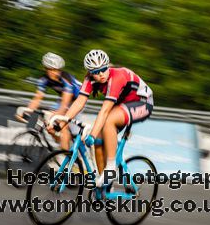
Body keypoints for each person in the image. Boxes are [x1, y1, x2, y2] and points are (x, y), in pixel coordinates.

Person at [49, 49, 154, 187]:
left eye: (103, 69)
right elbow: (79, 102)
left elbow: (104, 111)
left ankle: (110, 169)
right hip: (123, 105)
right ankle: (104, 186)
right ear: (89, 72)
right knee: (98, 141)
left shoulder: (117, 76)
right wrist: (62, 122)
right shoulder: (89, 79)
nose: (100, 74)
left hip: (143, 103)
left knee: (109, 120)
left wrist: (90, 135)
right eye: (95, 72)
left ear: (108, 66)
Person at [17, 52, 81, 150]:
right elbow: (38, 98)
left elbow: (64, 105)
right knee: (49, 126)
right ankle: (64, 147)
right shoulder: (43, 79)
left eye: (56, 70)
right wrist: (27, 111)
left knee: (61, 125)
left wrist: (56, 117)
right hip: (63, 98)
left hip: (78, 100)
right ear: (45, 69)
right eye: (50, 69)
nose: (54, 73)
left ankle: (66, 157)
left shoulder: (66, 79)